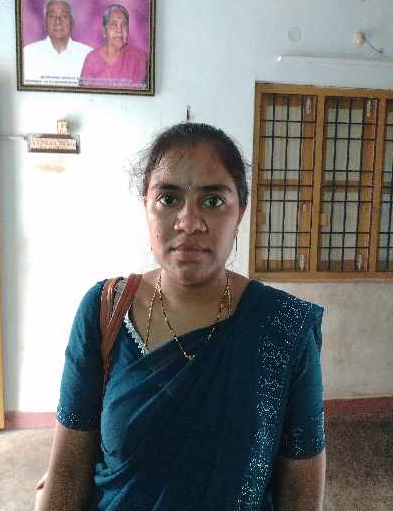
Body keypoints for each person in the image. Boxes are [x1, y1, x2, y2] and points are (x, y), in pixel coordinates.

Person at [35, 122, 326, 511]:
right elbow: (67, 473)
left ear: (240, 211)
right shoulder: (104, 311)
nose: (188, 222)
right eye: (168, 198)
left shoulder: (284, 327)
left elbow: (300, 493)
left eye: (213, 201)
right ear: (146, 206)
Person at [23, 0, 92, 86]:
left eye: (64, 16)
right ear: (45, 22)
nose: (58, 22)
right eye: (52, 16)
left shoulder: (88, 55)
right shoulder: (28, 54)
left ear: (72, 22)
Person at [79, 4, 147, 89]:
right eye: (113, 25)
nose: (119, 30)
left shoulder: (139, 58)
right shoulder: (92, 59)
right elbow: (84, 93)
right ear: (104, 31)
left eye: (124, 25)